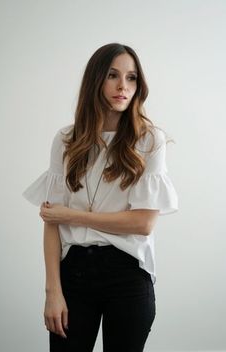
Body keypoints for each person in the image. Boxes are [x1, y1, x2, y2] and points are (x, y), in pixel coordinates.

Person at [23, 42, 178, 352]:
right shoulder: (67, 140)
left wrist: (73, 216)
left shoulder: (149, 140)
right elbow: (51, 222)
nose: (123, 86)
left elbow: (143, 223)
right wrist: (52, 290)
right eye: (112, 75)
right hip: (74, 273)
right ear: (96, 80)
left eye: (131, 77)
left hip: (128, 275)